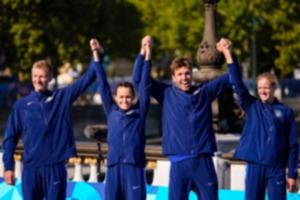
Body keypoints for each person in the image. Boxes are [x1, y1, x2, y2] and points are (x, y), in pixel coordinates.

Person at [133, 39, 234, 200]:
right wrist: (145, 51)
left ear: (192, 74)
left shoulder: (205, 92)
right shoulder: (165, 93)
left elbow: (232, 77)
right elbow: (138, 79)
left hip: (203, 161)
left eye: (187, 73)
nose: (184, 78)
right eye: (179, 74)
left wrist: (227, 52)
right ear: (173, 77)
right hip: (179, 163)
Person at [2, 39, 102, 200]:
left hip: (55, 167)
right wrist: (8, 167)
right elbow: (10, 138)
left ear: (49, 78)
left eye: (42, 76)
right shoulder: (21, 105)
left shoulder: (60, 97)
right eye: (35, 76)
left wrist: (97, 53)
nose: (38, 80)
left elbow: (87, 79)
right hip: (30, 169)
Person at [216, 38, 299, 200]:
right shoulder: (252, 105)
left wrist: (292, 174)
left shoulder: (286, 112)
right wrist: (229, 55)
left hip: (277, 167)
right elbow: (237, 83)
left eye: (266, 87)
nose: (262, 91)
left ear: (274, 88)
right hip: (255, 165)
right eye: (260, 88)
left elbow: (293, 145)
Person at [93, 36, 152, 200]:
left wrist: (147, 54)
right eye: (121, 97)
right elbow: (102, 82)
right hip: (114, 168)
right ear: (115, 97)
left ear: (133, 97)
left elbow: (145, 85)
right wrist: (96, 55)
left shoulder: (140, 112)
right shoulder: (111, 110)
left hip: (134, 167)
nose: (124, 100)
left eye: (128, 97)